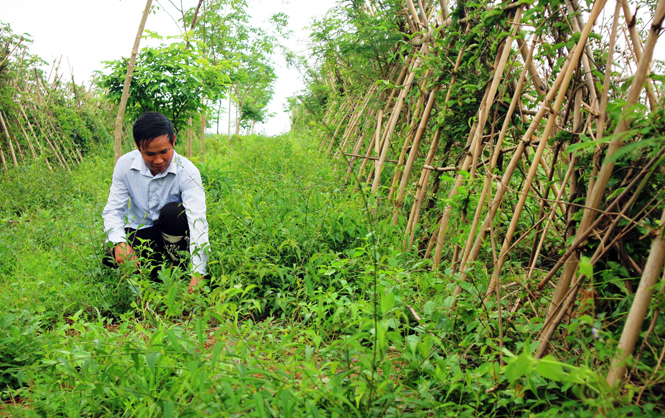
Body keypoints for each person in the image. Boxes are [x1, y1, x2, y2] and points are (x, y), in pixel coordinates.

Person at [102, 112, 209, 293]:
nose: (158, 160)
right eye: (149, 154)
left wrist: (199, 272)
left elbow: (198, 222)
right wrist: (120, 244)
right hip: (143, 232)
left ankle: (178, 266)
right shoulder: (124, 165)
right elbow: (113, 211)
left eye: (164, 152)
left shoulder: (188, 171)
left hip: (174, 236)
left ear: (173, 141)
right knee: (110, 255)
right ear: (137, 146)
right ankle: (155, 269)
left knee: (172, 212)